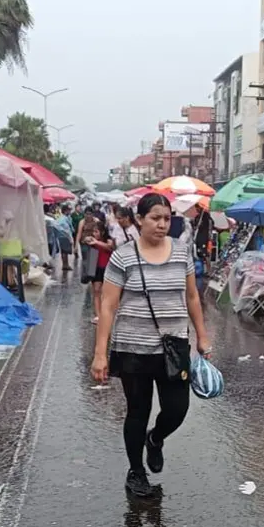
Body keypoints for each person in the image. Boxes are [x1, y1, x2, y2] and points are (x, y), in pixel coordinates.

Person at [92, 193, 210, 499]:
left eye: (167, 218)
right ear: (140, 219)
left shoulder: (182, 252)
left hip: (174, 347)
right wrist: (100, 354)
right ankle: (136, 472)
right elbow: (108, 305)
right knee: (137, 411)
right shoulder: (123, 256)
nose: (162, 224)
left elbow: (192, 297)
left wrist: (202, 336)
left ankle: (155, 439)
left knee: (177, 409)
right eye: (155, 218)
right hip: (133, 348)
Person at [84, 212, 116, 324]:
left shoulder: (108, 240)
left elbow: (110, 247)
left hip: (108, 268)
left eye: (96, 231)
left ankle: (106, 313)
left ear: (102, 232)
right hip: (96, 268)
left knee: (106, 293)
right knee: (96, 291)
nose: (94, 234)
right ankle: (98, 315)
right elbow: (84, 240)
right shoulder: (91, 240)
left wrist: (97, 242)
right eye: (94, 231)